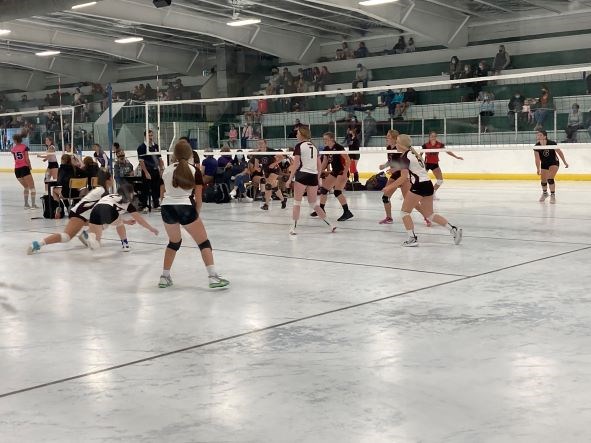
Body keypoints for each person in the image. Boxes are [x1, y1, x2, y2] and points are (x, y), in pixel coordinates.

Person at [158, 140, 229, 289]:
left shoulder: (166, 170)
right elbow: (199, 197)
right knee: (204, 243)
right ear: (190, 154)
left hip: (167, 208)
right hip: (185, 208)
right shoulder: (194, 170)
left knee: (174, 242)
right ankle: (213, 277)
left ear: (175, 154)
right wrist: (195, 214)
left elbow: (162, 194)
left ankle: (164, 277)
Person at [389, 135, 463, 247]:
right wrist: (395, 169)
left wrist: (388, 187)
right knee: (430, 215)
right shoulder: (414, 154)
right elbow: (412, 168)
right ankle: (453, 229)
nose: (395, 144)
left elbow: (403, 177)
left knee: (404, 212)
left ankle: (412, 238)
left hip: (419, 185)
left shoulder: (405, 157)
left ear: (401, 145)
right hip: (428, 184)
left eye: (397, 142)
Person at [27, 169, 112, 254]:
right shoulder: (102, 191)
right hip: (79, 214)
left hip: (85, 215)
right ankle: (38, 244)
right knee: (66, 237)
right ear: (108, 180)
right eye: (112, 178)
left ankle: (85, 235)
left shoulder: (102, 191)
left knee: (105, 222)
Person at [288, 127, 336, 235]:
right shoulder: (314, 147)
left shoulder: (299, 146)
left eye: (297, 134)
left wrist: (290, 179)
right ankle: (330, 224)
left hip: (302, 175)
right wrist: (317, 179)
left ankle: (293, 228)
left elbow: (295, 165)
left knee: (297, 203)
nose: (296, 135)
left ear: (302, 135)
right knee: (314, 204)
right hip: (313, 176)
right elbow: (319, 166)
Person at [378, 130, 430, 226]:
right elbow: (391, 161)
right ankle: (389, 218)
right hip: (395, 176)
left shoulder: (401, 150)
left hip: (404, 177)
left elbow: (405, 164)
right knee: (385, 197)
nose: (386, 138)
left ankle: (427, 217)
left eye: (388, 136)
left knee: (410, 201)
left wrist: (395, 169)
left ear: (395, 139)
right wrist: (384, 165)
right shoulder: (389, 148)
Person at [86, 182, 159, 251]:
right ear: (130, 193)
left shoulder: (109, 196)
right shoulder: (127, 203)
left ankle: (88, 236)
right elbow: (140, 220)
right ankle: (125, 245)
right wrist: (151, 228)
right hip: (108, 210)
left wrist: (126, 222)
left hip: (95, 211)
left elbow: (111, 216)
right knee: (119, 223)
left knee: (98, 238)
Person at [311, 132, 353, 221]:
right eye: (324, 139)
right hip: (335, 171)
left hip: (342, 171)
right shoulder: (326, 148)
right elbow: (325, 162)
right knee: (324, 189)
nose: (324, 141)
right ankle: (321, 209)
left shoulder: (338, 148)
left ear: (332, 139)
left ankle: (347, 212)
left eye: (326, 139)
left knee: (337, 192)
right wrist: (319, 173)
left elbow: (348, 160)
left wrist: (345, 173)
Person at [534, 130, 569, 204]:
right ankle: (545, 193)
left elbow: (559, 152)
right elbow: (537, 159)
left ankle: (553, 195)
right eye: (537, 135)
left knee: (550, 178)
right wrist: (538, 168)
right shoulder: (537, 146)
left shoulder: (552, 143)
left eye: (540, 135)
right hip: (544, 163)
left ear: (544, 136)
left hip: (554, 162)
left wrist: (565, 162)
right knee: (543, 181)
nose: (538, 136)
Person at [137, 129, 164, 212]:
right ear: (145, 136)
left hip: (156, 170)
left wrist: (161, 169)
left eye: (152, 135)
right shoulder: (141, 147)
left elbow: (160, 159)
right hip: (147, 170)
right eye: (149, 136)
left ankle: (156, 204)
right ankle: (145, 205)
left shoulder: (156, 146)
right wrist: (146, 172)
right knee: (146, 188)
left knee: (156, 188)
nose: (151, 137)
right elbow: (141, 161)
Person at [257, 139, 287, 210]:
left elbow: (282, 157)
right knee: (274, 187)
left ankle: (266, 205)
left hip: (275, 170)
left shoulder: (270, 150)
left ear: (265, 144)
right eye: (259, 144)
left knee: (268, 185)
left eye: (261, 143)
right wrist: (257, 167)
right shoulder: (258, 153)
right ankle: (283, 200)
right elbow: (256, 163)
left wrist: (274, 163)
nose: (260, 145)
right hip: (266, 171)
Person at [11, 133, 37, 209]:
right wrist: (30, 166)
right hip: (24, 168)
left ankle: (26, 204)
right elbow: (27, 159)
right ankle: (33, 205)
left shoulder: (13, 149)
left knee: (26, 187)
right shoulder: (24, 147)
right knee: (32, 187)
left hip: (17, 170)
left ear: (15, 140)